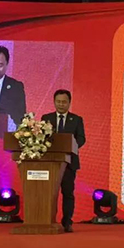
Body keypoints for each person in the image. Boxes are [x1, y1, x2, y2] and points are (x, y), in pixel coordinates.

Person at [42, 89, 85, 233]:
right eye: (58, 102)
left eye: (64, 102)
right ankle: (47, 220)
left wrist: (71, 146)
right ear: (54, 102)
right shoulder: (46, 118)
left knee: (68, 193)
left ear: (69, 103)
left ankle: (67, 222)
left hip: (69, 163)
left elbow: (81, 138)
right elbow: (42, 137)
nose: (61, 104)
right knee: (49, 194)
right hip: (50, 162)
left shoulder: (76, 119)